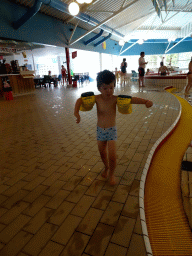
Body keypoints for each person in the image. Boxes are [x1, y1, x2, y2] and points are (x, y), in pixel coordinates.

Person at [74, 70, 153, 185]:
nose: (108, 91)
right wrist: (77, 113)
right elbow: (79, 100)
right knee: (102, 153)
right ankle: (106, 167)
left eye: (111, 87)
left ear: (114, 86)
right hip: (100, 130)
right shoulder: (97, 98)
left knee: (112, 155)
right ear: (99, 88)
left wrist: (145, 101)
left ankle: (111, 173)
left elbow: (131, 99)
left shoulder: (115, 99)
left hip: (111, 130)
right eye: (105, 88)